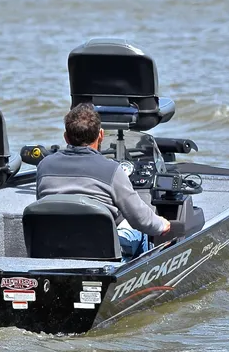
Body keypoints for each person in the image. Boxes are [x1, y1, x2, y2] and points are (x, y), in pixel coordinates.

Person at [36, 103, 170, 260]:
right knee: (140, 228)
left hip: (53, 251)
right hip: (101, 257)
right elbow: (141, 219)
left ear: (66, 137)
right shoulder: (112, 170)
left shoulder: (44, 166)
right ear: (101, 135)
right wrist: (161, 225)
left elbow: (43, 206)